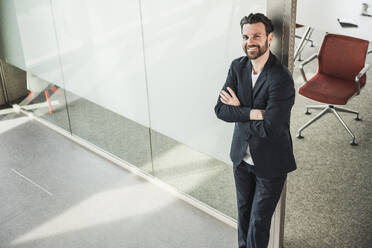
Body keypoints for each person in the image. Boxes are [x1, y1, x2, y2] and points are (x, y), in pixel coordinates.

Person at [214, 13, 297, 248]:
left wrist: (238, 110)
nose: (250, 41)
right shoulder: (237, 67)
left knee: (258, 223)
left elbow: (270, 128)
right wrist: (252, 112)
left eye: (257, 36)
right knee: (244, 215)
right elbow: (220, 110)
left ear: (269, 38)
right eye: (246, 36)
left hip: (270, 163)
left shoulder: (280, 78)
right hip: (241, 158)